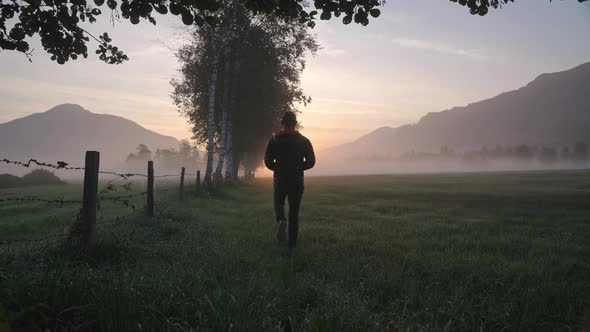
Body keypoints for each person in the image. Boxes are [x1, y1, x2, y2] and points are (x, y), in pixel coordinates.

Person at [264, 111, 315, 248]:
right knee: (294, 211)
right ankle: (292, 244)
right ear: (295, 123)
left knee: (278, 203)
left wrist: (278, 168)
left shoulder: (274, 140)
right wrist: (298, 168)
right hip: (297, 180)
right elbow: (311, 161)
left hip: (280, 179)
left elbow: (267, 160)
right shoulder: (304, 141)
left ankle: (281, 220)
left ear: (283, 123)